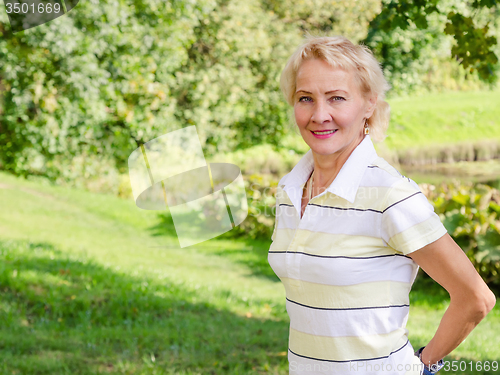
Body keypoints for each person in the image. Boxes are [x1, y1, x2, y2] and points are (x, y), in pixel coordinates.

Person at [268, 34, 496, 375]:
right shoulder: (291, 187)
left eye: (337, 98)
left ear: (369, 104)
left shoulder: (390, 195)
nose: (319, 114)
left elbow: (476, 298)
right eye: (305, 98)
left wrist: (423, 366)